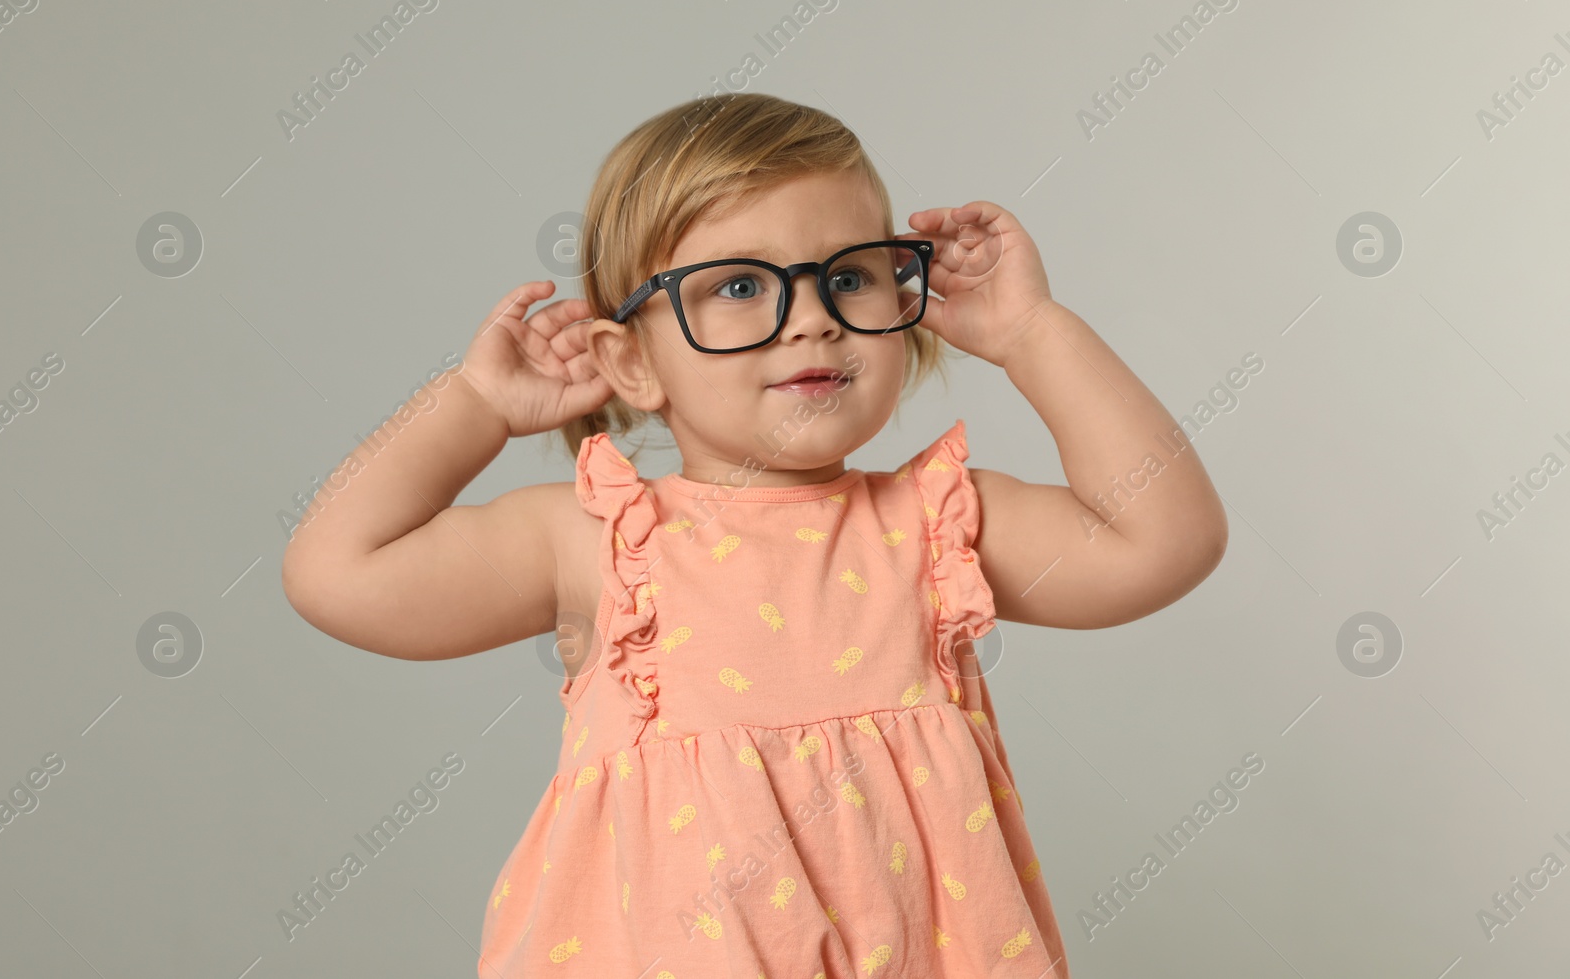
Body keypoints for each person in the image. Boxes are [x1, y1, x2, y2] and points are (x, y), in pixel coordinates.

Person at [281, 92, 1228, 977]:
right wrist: (476, 404)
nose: (811, 319)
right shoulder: (596, 539)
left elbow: (1164, 539)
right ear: (631, 361)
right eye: (739, 285)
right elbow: (337, 572)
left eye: (850, 276)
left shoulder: (937, 526)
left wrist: (1032, 331)